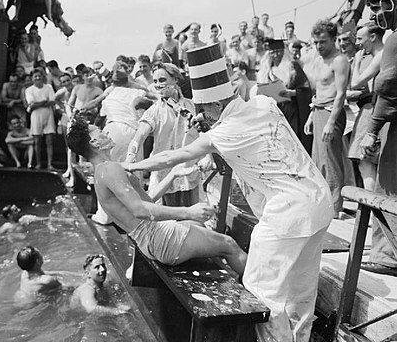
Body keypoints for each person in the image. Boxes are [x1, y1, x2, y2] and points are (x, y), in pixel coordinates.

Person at [123, 93, 333, 342]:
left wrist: (131, 166)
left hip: (287, 216)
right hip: (319, 203)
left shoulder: (224, 132)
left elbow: (171, 157)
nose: (201, 115)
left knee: (262, 294)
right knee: (301, 292)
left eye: (204, 108)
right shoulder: (264, 102)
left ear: (216, 104)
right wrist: (212, 130)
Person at [66, 113, 248, 279]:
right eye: (99, 130)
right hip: (160, 238)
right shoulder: (109, 169)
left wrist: (172, 175)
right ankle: (262, 293)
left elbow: (146, 202)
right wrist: (188, 211)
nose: (106, 131)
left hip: (151, 242)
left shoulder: (101, 173)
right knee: (228, 244)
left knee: (199, 225)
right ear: (94, 142)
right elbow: (140, 210)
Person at [359, 0, 397, 277]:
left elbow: (387, 87)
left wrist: (372, 130)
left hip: (394, 126)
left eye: (382, 5)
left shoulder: (395, 39)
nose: (379, 13)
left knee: (388, 186)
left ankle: (388, 254)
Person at [125, 63, 201, 207]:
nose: (158, 85)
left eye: (162, 80)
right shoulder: (154, 111)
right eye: (155, 81)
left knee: (191, 219)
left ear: (176, 80)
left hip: (189, 174)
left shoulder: (192, 107)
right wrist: (130, 157)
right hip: (163, 177)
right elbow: (139, 136)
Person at [304, 20, 349, 218]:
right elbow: (320, 91)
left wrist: (331, 122)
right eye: (316, 42)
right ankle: (324, 203)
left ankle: (335, 207)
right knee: (318, 160)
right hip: (319, 111)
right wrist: (311, 115)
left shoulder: (339, 60)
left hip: (333, 114)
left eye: (323, 42)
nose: (319, 46)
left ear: (333, 39)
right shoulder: (319, 60)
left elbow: (340, 93)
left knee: (331, 161)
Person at [255, 38, 313, 151]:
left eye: (278, 50)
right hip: (273, 112)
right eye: (272, 51)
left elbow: (306, 89)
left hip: (291, 111)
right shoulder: (265, 71)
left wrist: (292, 93)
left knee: (292, 142)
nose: (276, 54)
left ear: (283, 51)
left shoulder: (293, 67)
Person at [347, 22, 384, 192]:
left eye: (361, 38)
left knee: (365, 162)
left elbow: (355, 83)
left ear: (373, 37)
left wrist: (356, 64)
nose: (358, 43)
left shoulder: (380, 55)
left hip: (373, 111)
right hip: (375, 108)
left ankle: (372, 213)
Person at [25, 69, 56, 170]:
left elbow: (52, 102)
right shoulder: (29, 90)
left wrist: (37, 104)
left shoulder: (49, 87)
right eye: (35, 76)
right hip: (35, 115)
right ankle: (38, 163)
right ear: (32, 78)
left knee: (49, 140)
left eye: (39, 76)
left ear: (43, 77)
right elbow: (31, 104)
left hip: (48, 114)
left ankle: (49, 164)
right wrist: (43, 101)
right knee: (37, 141)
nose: (38, 78)